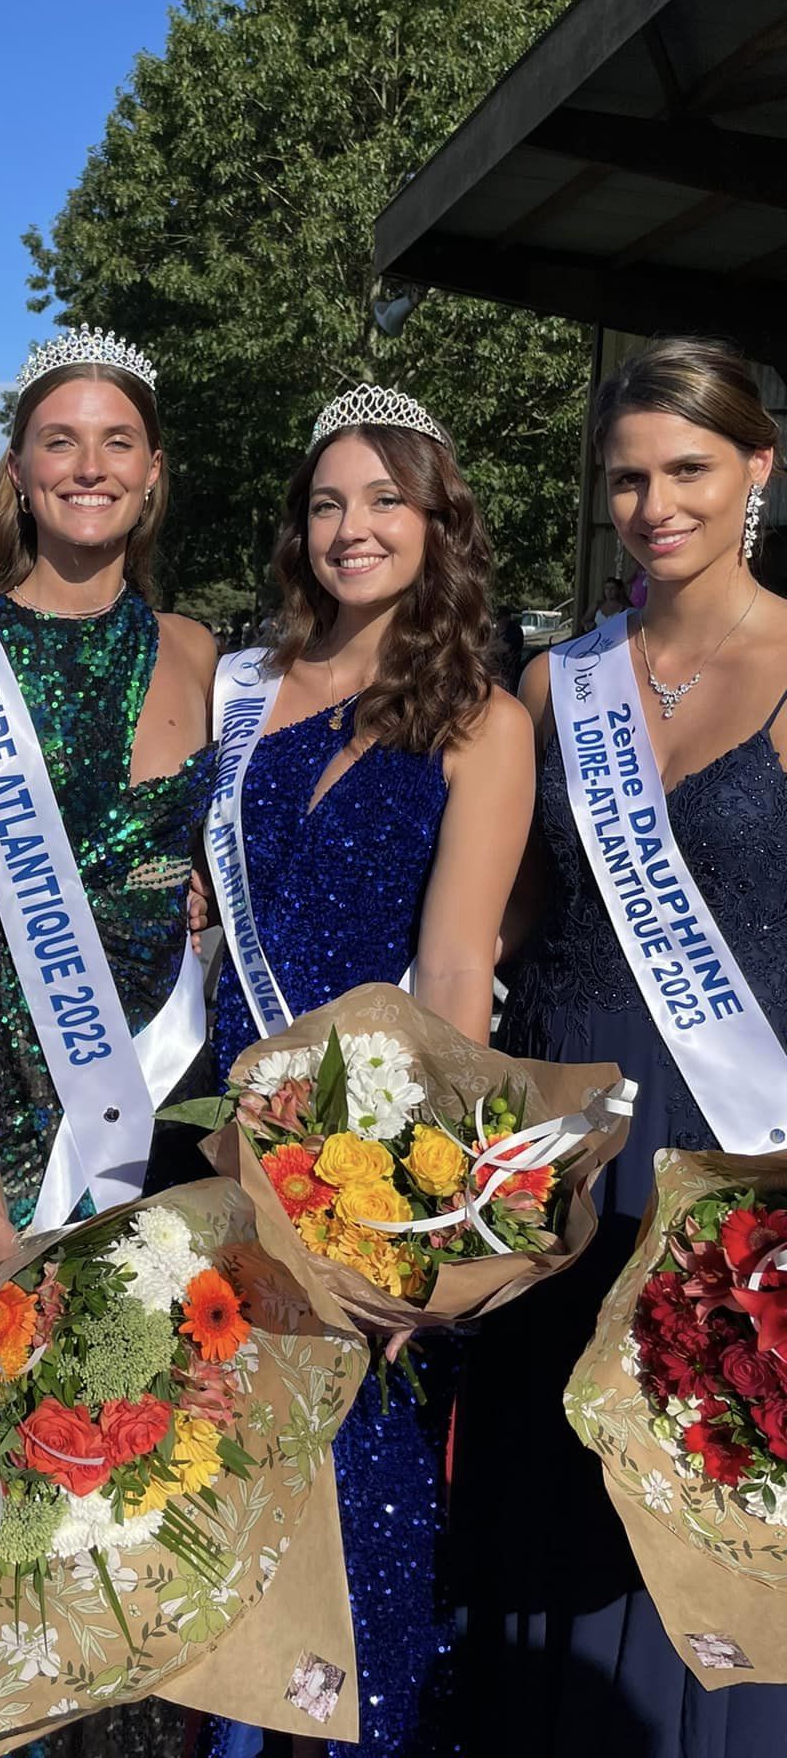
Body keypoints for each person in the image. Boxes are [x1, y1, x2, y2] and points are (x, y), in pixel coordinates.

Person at [453, 337, 787, 1758]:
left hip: (731, 1158)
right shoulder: (558, 682)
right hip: (565, 1162)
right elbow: (511, 920)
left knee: (701, 1519)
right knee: (547, 1515)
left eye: (690, 470)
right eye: (630, 478)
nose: (657, 505)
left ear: (759, 469)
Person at [199, 384, 534, 1758]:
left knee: (361, 1520)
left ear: (437, 521)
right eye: (329, 502)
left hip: (359, 1180)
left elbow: (457, 980)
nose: (353, 527)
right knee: (218, 1514)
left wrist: (422, 1231)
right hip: (217, 1150)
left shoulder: (483, 722)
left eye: (385, 499)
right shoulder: (245, 689)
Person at [0, 327, 217, 1758]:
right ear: (21, 475)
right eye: (59, 443)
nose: (89, 468)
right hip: (14, 1138)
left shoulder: (206, 653)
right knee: (21, 1525)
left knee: (158, 1496)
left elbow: (218, 867)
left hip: (161, 1117)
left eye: (118, 444)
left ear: (151, 478)